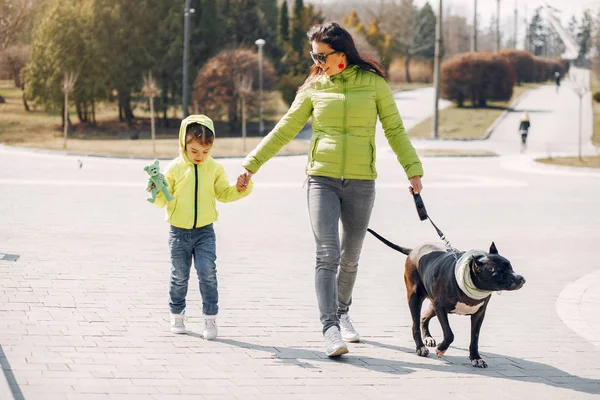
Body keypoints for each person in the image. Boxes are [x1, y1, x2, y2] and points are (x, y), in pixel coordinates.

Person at [236, 22, 423, 357]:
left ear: (342, 52)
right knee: (327, 254)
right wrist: (252, 164)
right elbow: (285, 129)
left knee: (350, 257)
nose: (317, 61)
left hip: (361, 181)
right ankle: (330, 330)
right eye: (314, 55)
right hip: (320, 178)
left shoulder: (374, 84)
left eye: (322, 55)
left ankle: (343, 312)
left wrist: (413, 171)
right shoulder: (314, 86)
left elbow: (394, 129)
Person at [150, 114, 253, 338]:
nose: (200, 156)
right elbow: (162, 199)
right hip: (178, 233)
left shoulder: (214, 168)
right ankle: (177, 314)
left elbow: (224, 193)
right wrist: (155, 190)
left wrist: (241, 187)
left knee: (207, 273)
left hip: (205, 232)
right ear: (183, 144)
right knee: (179, 275)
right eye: (194, 151)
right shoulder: (174, 169)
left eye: (205, 152)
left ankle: (210, 319)